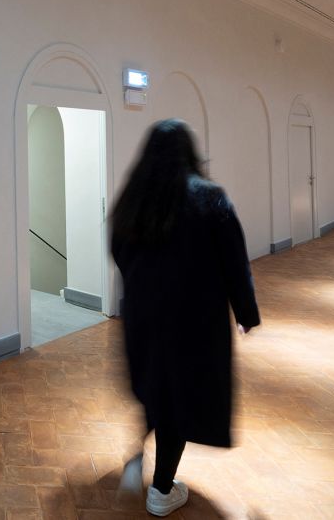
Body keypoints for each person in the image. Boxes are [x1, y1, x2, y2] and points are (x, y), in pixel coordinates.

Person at [110, 120, 260, 517]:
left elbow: (119, 252)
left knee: (155, 387)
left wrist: (142, 291)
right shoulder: (209, 198)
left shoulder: (133, 199)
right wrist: (246, 313)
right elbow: (234, 262)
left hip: (143, 316)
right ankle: (161, 491)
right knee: (179, 398)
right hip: (193, 321)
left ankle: (136, 458)